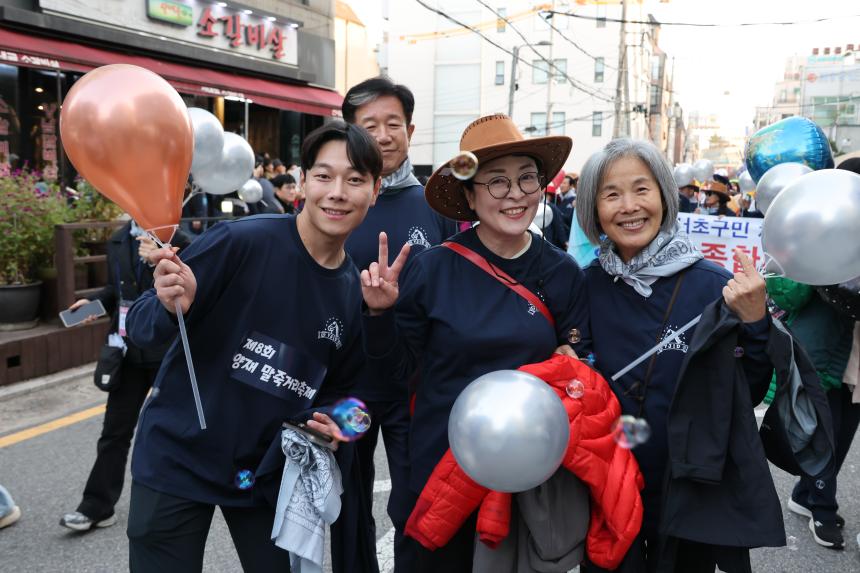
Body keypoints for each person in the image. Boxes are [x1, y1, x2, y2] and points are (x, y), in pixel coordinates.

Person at [124, 120, 382, 572]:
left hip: (265, 475)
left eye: (355, 179)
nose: (337, 192)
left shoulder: (351, 291)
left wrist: (334, 427)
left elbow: (351, 399)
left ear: (374, 191)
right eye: (324, 176)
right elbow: (142, 328)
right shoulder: (241, 241)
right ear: (303, 182)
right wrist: (170, 307)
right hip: (177, 459)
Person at [360, 114, 591, 571]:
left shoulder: (562, 271)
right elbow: (394, 375)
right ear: (469, 194)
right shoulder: (431, 270)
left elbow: (580, 355)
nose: (516, 195)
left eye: (527, 179)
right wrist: (380, 314)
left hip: (528, 474)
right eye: (497, 182)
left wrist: (573, 360)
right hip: (438, 468)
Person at [576, 139, 781, 572]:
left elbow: (751, 389)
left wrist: (757, 322)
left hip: (689, 488)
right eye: (611, 194)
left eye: (642, 189)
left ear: (665, 196)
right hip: (608, 488)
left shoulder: (714, 286)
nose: (629, 206)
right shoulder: (585, 285)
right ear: (594, 210)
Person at [338, 76, 457, 573]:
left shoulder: (437, 203)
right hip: (347, 379)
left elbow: (457, 282)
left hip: (416, 381)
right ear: (350, 133)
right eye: (369, 126)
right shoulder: (335, 201)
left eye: (393, 124)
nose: (383, 136)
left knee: (415, 503)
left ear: (411, 130)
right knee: (345, 506)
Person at [59, 222, 190, 532]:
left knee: (172, 432)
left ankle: (176, 510)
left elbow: (192, 287)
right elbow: (114, 291)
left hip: (167, 351)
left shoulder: (178, 237)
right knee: (114, 432)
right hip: (127, 350)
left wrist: (160, 258)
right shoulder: (119, 238)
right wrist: (92, 304)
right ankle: (96, 506)